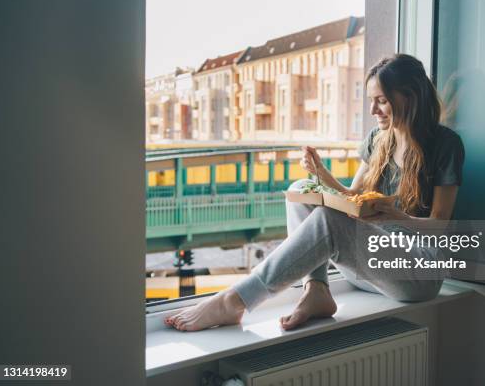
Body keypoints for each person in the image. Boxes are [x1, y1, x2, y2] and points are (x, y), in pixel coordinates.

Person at [165, 54, 465, 332]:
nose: (373, 110)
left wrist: (396, 216)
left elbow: (439, 227)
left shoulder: (445, 144)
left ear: (409, 98)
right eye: (371, 101)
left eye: (381, 101)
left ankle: (235, 300)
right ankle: (317, 290)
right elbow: (351, 197)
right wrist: (321, 175)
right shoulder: (378, 139)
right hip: (373, 271)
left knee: (327, 219)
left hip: (416, 274)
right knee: (300, 190)